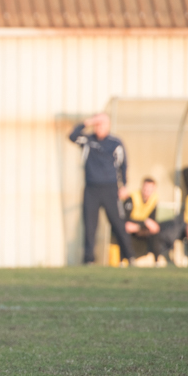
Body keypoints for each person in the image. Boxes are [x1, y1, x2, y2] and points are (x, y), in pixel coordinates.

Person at [69, 113, 134, 266]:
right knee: (90, 225)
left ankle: (129, 257)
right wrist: (88, 122)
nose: (99, 127)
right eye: (97, 124)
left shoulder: (115, 143)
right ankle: (89, 259)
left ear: (108, 126)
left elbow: (123, 165)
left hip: (110, 189)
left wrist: (123, 185)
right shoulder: (87, 140)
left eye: (102, 124)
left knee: (118, 224)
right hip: (91, 189)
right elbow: (72, 136)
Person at [123, 177, 167, 265]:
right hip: (132, 225)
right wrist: (143, 223)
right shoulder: (132, 198)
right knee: (127, 227)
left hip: (142, 227)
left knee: (155, 229)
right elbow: (126, 219)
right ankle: (126, 259)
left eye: (150, 190)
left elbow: (152, 220)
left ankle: (156, 260)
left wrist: (144, 225)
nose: (147, 192)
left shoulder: (153, 199)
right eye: (145, 189)